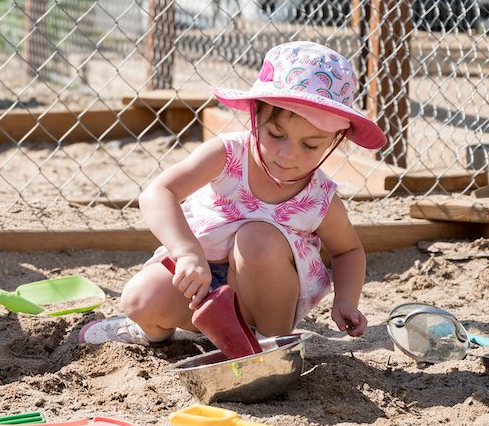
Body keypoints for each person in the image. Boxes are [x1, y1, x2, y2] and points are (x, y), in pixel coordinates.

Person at [82, 40, 387, 347]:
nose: (288, 154)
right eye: (276, 134)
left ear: (335, 140)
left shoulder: (318, 195)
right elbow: (158, 192)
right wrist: (187, 252)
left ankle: (268, 344)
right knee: (139, 299)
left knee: (257, 239)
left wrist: (347, 299)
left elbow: (348, 251)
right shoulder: (229, 154)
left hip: (263, 301)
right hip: (200, 278)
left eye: (310, 145)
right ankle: (157, 333)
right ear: (255, 115)